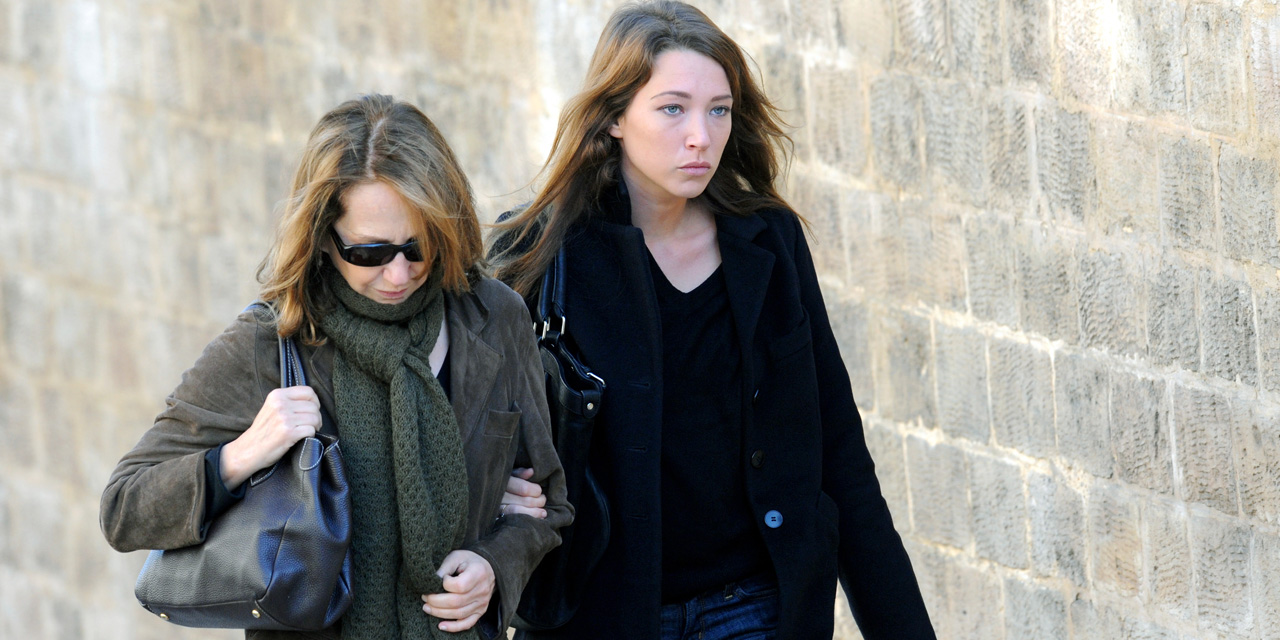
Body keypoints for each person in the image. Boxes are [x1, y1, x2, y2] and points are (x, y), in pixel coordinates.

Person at [489, 2, 935, 639]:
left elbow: (838, 449)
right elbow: (472, 430)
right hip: (602, 615)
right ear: (615, 116)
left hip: (755, 609)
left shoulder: (767, 242)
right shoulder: (538, 256)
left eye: (718, 109)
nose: (700, 134)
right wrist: (503, 495)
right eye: (672, 108)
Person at [101, 94, 572, 640]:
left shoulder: (491, 317)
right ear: (325, 238)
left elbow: (549, 505)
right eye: (369, 253)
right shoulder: (271, 342)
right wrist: (239, 457)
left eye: (417, 247)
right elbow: (124, 506)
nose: (398, 274)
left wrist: (494, 565)